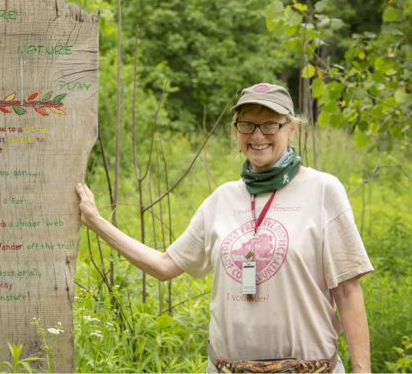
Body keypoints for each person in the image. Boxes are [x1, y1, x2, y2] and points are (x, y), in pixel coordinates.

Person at [76, 83, 373, 373]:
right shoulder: (223, 199)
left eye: (270, 125)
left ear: (291, 129)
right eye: (247, 125)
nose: (257, 136)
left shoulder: (322, 190)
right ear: (236, 130)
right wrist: (97, 222)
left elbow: (347, 290)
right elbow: (164, 265)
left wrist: (362, 370)